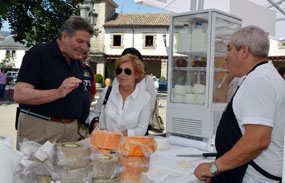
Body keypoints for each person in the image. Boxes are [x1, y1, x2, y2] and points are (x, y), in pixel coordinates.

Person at [194, 26, 285, 183]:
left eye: (229, 49)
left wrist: (214, 168)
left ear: (244, 51)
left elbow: (257, 140)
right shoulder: (264, 75)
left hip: (254, 178)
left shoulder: (259, 80)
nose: (226, 57)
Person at [14, 16, 94, 148]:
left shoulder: (76, 61)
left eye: (87, 43)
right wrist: (58, 92)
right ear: (64, 37)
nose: (85, 48)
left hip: (71, 131)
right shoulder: (39, 53)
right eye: (80, 41)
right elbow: (20, 94)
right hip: (40, 129)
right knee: (34, 169)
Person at [88, 54, 151, 136]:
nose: (122, 74)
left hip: (129, 146)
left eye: (127, 71)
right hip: (104, 144)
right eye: (119, 71)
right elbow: (94, 114)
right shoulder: (108, 91)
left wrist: (119, 134)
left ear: (137, 74)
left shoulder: (145, 98)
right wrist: (96, 126)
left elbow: (142, 129)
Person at [114, 48, 156, 134]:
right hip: (119, 127)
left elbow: (151, 105)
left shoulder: (148, 81)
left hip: (139, 127)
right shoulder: (117, 79)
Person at [77, 50, 97, 139]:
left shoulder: (89, 70)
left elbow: (92, 93)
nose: (86, 56)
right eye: (83, 53)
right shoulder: (68, 68)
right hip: (70, 120)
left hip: (84, 120)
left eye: (87, 53)